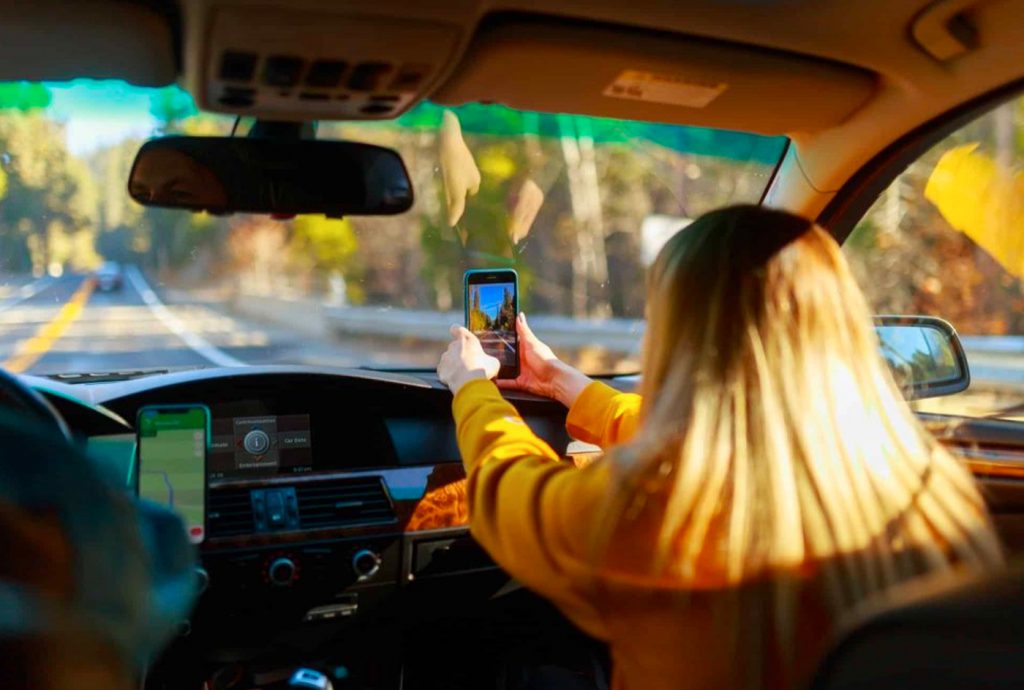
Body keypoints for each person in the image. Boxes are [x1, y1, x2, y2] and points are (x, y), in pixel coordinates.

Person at [436, 205, 1003, 690]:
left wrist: (472, 388)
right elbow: (712, 440)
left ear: (678, 339)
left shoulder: (649, 507)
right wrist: (568, 386)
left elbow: (504, 490)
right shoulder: (931, 488)